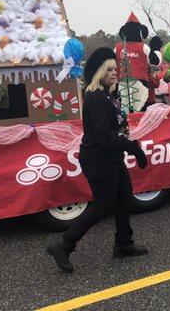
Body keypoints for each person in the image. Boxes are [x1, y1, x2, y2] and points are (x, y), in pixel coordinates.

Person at [46, 47, 149, 273]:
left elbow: (115, 130)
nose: (115, 72)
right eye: (109, 69)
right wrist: (133, 148)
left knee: (124, 198)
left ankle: (123, 244)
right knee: (104, 204)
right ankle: (63, 244)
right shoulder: (96, 98)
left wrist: (125, 138)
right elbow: (104, 137)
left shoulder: (107, 96)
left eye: (115, 68)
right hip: (98, 159)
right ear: (98, 71)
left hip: (111, 157)